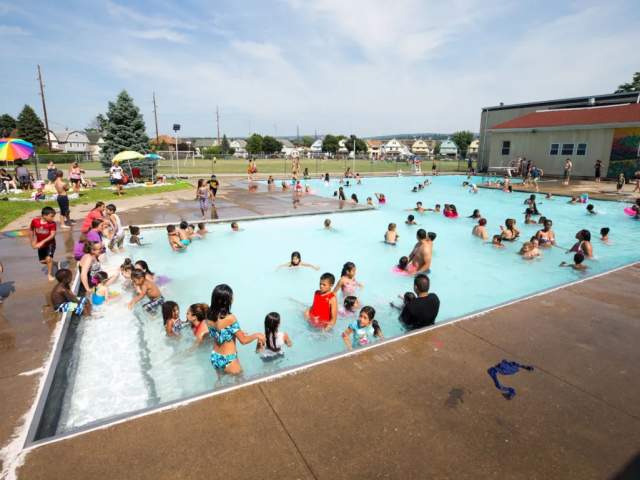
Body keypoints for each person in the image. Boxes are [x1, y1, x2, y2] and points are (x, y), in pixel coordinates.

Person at [207, 284, 265, 374]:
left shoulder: (208, 315)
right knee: (241, 382)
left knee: (220, 383)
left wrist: (237, 332)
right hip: (229, 359)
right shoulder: (230, 318)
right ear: (226, 301)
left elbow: (219, 333)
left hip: (215, 357)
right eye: (231, 296)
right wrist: (257, 335)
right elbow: (244, 341)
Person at [29, 207, 57, 281]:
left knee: (48, 259)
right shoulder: (35, 221)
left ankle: (50, 274)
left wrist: (42, 242)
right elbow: (31, 230)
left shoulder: (52, 224)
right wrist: (32, 241)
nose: (53, 218)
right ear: (44, 215)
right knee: (42, 261)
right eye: (51, 216)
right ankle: (53, 263)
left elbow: (52, 235)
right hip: (41, 245)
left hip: (50, 244)